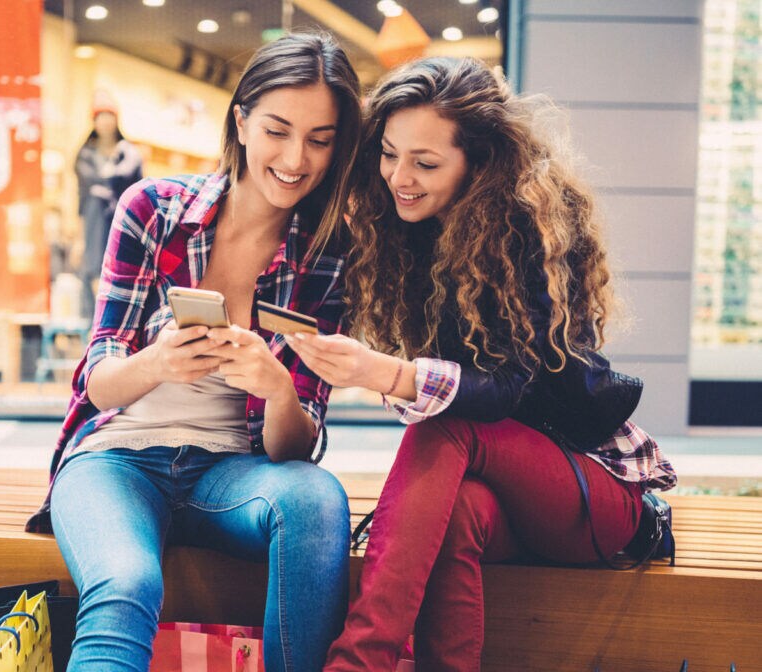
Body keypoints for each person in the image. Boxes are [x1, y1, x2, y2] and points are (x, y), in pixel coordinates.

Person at [283, 57, 677, 672]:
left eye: (426, 162)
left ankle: (359, 661)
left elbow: (505, 393)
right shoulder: (415, 234)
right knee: (452, 512)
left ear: (481, 161)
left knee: (445, 425)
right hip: (509, 501)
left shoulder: (523, 229)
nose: (399, 177)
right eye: (389, 154)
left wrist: (384, 372)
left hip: (597, 497)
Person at [25, 33, 363, 671]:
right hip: (115, 462)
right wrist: (157, 361)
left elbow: (293, 452)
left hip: (227, 477)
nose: (296, 158)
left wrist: (278, 389)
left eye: (320, 140)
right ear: (240, 121)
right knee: (125, 583)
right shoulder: (152, 210)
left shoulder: (330, 256)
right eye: (277, 130)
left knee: (318, 498)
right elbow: (97, 381)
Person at [74, 95, 143, 321]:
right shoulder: (85, 156)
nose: (104, 122)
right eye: (100, 117)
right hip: (95, 225)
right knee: (93, 270)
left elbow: (139, 193)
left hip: (123, 221)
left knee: (123, 268)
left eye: (109, 116)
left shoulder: (130, 155)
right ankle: (96, 323)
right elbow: (82, 198)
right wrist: (78, 237)